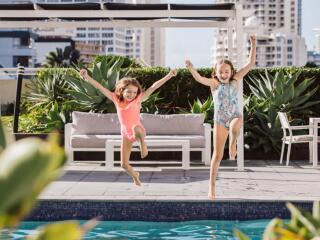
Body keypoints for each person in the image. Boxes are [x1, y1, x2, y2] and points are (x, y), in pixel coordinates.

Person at [185, 35, 257, 199]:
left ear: (231, 72)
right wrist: (191, 68)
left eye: (227, 71)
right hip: (220, 120)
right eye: (221, 72)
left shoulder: (236, 79)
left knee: (235, 125)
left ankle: (233, 144)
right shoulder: (214, 84)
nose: (224, 74)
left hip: (235, 116)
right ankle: (211, 188)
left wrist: (253, 44)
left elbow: (250, 63)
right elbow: (199, 78)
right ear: (216, 73)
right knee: (217, 156)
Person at [79, 68, 177, 186]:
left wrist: (169, 75)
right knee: (124, 165)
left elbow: (154, 86)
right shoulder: (115, 98)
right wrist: (87, 77)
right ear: (121, 90)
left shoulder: (137, 100)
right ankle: (135, 175)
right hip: (125, 133)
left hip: (138, 130)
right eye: (129, 92)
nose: (132, 95)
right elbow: (100, 87)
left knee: (136, 127)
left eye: (135, 92)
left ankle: (143, 145)